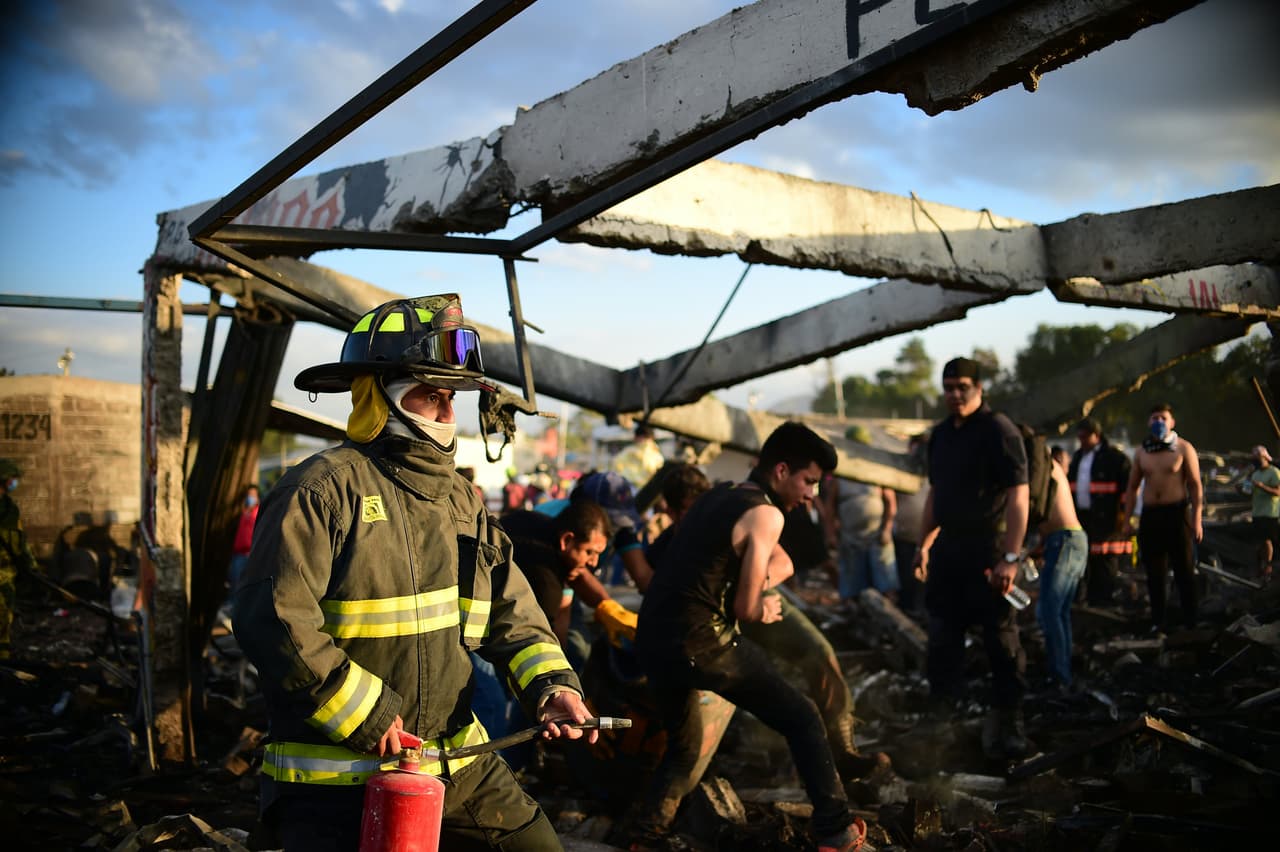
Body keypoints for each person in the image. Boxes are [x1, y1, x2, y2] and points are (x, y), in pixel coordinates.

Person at [232, 294, 595, 851]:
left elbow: (510, 608)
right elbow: (273, 620)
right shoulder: (322, 489)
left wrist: (552, 687)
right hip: (338, 784)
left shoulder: (461, 499)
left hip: (457, 766)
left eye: (451, 399)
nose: (448, 416)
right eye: (431, 396)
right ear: (383, 398)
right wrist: (373, 719)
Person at [634, 422, 866, 852]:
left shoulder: (721, 495)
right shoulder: (767, 513)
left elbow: (777, 561)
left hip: (653, 640)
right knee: (803, 716)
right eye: (809, 481)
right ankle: (836, 831)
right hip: (703, 643)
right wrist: (765, 604)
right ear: (782, 470)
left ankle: (645, 837)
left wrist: (765, 578)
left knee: (684, 750)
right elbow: (746, 608)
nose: (812, 494)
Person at [652, 462, 887, 783]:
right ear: (670, 511)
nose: (688, 519)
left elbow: (783, 562)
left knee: (817, 652)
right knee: (696, 732)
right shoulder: (671, 544)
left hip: (752, 604)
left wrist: (751, 584)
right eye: (681, 513)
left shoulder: (730, 514)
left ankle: (843, 751)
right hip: (704, 630)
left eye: (694, 510)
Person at [912, 357, 1030, 760]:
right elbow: (935, 494)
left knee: (1000, 638)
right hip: (949, 552)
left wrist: (1011, 557)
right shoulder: (941, 435)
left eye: (962, 386)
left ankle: (1010, 721)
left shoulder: (998, 430)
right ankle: (943, 718)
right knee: (943, 636)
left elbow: (1019, 495)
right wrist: (923, 544)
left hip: (989, 550)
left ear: (980, 388)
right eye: (948, 387)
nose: (955, 394)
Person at [1124, 403, 1203, 633]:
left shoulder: (1183, 448)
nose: (1158, 421)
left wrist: (1197, 519)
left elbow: (1195, 486)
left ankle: (1191, 621)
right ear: (1149, 423)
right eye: (1154, 418)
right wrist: (1127, 519)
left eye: (1163, 417)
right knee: (1154, 572)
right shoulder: (1142, 452)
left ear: (1171, 422)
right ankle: (1159, 621)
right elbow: (1132, 487)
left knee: (1184, 570)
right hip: (1151, 516)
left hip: (1177, 514)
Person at [1067, 418, 1133, 607]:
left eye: (1085, 436)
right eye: (1079, 437)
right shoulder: (1078, 457)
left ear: (1096, 435)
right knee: (1085, 561)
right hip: (1083, 518)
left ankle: (1104, 601)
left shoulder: (1114, 458)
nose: (1082, 441)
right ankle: (1086, 601)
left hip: (1108, 519)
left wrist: (1123, 516)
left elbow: (1127, 490)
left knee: (1104, 561)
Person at [1034, 457, 1088, 690]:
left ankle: (1059, 676)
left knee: (1049, 611)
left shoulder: (1039, 466)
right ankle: (1063, 673)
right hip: (1072, 539)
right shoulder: (1049, 466)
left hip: (1064, 541)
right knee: (1060, 612)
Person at [830, 425, 899, 604]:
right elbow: (830, 506)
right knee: (852, 586)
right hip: (850, 538)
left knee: (886, 585)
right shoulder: (840, 474)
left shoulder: (877, 471)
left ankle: (889, 621)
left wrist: (886, 529)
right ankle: (855, 621)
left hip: (877, 537)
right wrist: (831, 533)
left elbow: (891, 503)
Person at [0, 460, 39, 660]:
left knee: (5, 621)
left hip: (6, 577)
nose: (14, 483)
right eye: (12, 479)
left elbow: (20, 542)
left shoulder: (10, 509)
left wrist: (31, 566)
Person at [1244, 445, 1280, 582]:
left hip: (1270, 512)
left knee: (1266, 540)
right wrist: (1239, 490)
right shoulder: (1255, 474)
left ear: (1264, 457)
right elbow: (1250, 494)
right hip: (1257, 512)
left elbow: (1278, 492)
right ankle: (1259, 568)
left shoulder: (1274, 472)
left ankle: (1268, 567)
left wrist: (1262, 486)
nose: (1254, 460)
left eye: (1256, 457)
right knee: (1257, 541)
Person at [611, 422, 666, 492]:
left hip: (630, 490)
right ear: (652, 438)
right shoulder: (658, 456)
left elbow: (616, 471)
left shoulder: (627, 452)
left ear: (637, 437)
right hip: (650, 492)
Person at [226, 484, 259, 591]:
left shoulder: (258, 512)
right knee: (234, 583)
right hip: (238, 554)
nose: (251, 497)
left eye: (253, 495)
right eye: (249, 495)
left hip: (250, 554)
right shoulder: (243, 513)